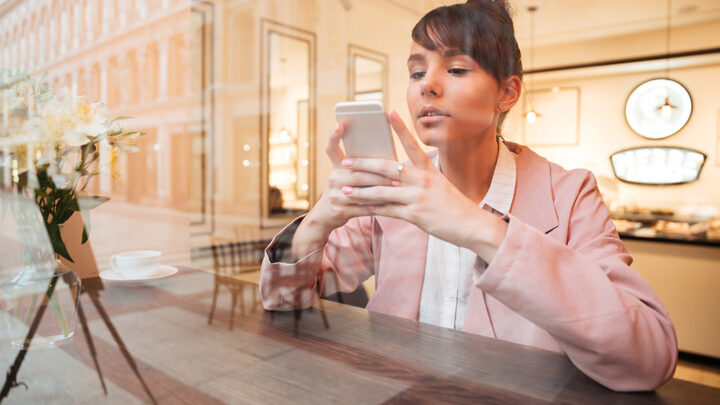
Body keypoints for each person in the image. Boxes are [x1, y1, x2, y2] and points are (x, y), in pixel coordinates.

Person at [259, 0, 677, 392]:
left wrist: (479, 227)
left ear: (507, 93)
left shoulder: (569, 194)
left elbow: (647, 357)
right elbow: (283, 299)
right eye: (417, 72)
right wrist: (320, 220)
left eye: (456, 69)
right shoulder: (396, 192)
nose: (428, 87)